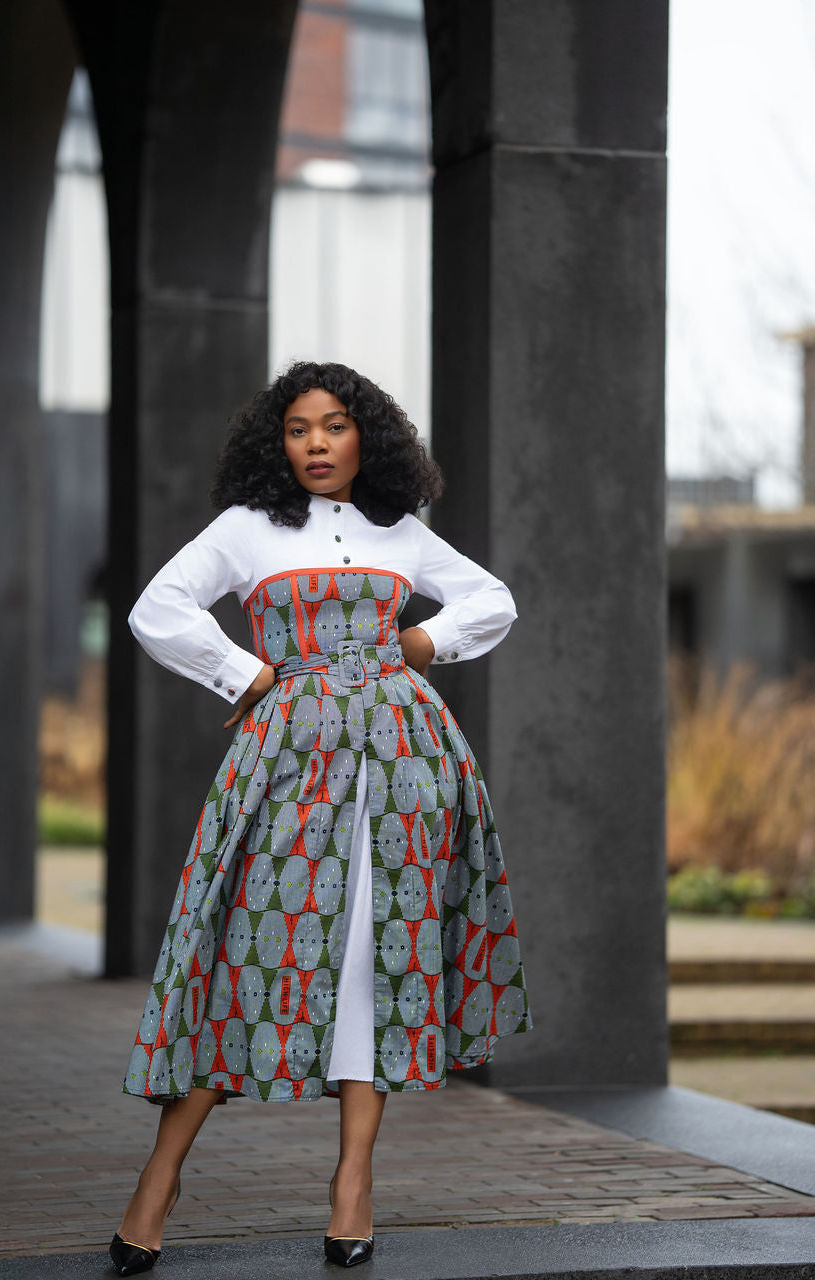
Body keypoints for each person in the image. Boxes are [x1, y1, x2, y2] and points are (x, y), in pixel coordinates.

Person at [109, 361, 531, 1274]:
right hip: (290, 767)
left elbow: (493, 599)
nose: (317, 444)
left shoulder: (401, 532)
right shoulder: (246, 529)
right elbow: (156, 608)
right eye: (298, 429)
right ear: (278, 442)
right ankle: (160, 1177)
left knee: (375, 959)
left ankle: (353, 1184)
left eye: (335, 425)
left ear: (365, 435)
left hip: (405, 765)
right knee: (245, 956)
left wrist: (425, 639)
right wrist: (245, 672)